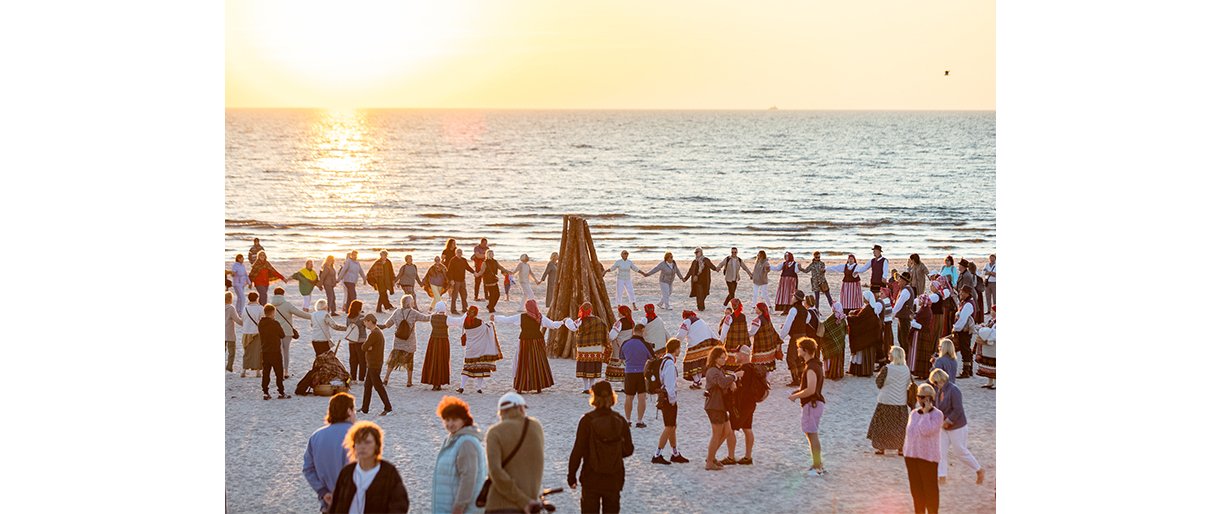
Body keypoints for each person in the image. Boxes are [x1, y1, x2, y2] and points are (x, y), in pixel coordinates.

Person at [568, 380, 634, 514]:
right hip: (614, 477)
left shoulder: (587, 421)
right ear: (612, 396)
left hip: (591, 476)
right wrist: (613, 452)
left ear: (594, 397)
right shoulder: (620, 420)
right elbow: (629, 449)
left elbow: (578, 450)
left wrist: (571, 475)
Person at [327, 421, 410, 513]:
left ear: (377, 445)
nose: (362, 447)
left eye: (367, 442)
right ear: (354, 446)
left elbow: (399, 506)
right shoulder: (347, 472)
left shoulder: (389, 473)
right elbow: (334, 505)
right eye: (358, 442)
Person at [485, 392, 546, 514]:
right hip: (531, 503)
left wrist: (522, 501)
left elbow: (495, 471)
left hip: (500, 505)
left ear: (501, 412)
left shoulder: (495, 432)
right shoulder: (535, 426)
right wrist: (527, 501)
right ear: (520, 408)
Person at [929, 368, 984, 485]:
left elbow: (958, 409)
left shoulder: (954, 390)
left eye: (935, 382)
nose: (934, 384)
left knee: (960, 451)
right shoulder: (938, 390)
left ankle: (978, 469)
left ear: (940, 380)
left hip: (957, 426)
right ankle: (941, 476)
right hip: (943, 426)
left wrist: (948, 421)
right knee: (940, 451)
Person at [304, 392, 355, 513]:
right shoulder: (358, 435)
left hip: (328, 502)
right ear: (349, 411)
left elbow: (308, 469)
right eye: (354, 410)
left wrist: (323, 491)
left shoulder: (316, 436)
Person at [433, 396, 486, 514]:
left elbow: (468, 477)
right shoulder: (453, 438)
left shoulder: (466, 442)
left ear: (464, 420)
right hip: (450, 503)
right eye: (447, 420)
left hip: (462, 508)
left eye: (454, 420)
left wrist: (459, 506)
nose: (450, 424)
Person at [494, 300, 560, 394]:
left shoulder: (522, 317)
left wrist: (496, 318)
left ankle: (520, 387)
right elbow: (552, 325)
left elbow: (507, 320)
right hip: (537, 341)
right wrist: (563, 322)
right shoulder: (539, 317)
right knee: (538, 362)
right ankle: (538, 387)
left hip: (525, 341)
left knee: (523, 363)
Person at [788, 337, 827, 477]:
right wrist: (798, 392)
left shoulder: (811, 367)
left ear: (805, 350)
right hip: (814, 404)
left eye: (799, 348)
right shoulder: (816, 364)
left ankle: (818, 466)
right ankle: (818, 464)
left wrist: (795, 396)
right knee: (811, 434)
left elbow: (811, 390)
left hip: (812, 404)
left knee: (812, 434)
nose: (798, 350)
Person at [905, 383, 944, 514]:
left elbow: (926, 430)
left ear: (930, 398)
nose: (920, 400)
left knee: (930, 490)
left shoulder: (938, 415)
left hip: (928, 458)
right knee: (916, 491)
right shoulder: (914, 413)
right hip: (911, 456)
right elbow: (910, 432)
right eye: (919, 396)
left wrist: (926, 413)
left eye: (923, 397)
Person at [378, 294, 430, 387]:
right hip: (409, 342)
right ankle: (409, 382)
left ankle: (386, 378)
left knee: (392, 361)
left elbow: (387, 324)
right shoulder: (413, 313)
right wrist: (436, 314)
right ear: (409, 303)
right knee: (410, 362)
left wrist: (378, 326)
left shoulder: (397, 312)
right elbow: (426, 318)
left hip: (398, 341)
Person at [652, 339, 690, 465]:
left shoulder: (664, 361)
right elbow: (669, 385)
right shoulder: (669, 364)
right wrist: (673, 400)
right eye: (679, 348)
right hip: (668, 399)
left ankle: (675, 453)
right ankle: (657, 454)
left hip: (665, 397)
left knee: (672, 426)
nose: (680, 350)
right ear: (676, 349)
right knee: (669, 427)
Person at [449, 306, 503, 394]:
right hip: (481, 349)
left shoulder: (465, 322)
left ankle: (462, 387)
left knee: (466, 368)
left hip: (470, 349)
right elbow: (488, 328)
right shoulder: (480, 322)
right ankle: (479, 388)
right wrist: (492, 322)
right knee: (481, 368)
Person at [869, 346, 912, 455]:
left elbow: (879, 383)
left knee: (883, 426)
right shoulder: (906, 369)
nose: (889, 355)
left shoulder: (887, 368)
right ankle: (900, 448)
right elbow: (909, 384)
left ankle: (881, 448)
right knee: (899, 427)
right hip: (901, 402)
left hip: (886, 400)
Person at [728, 344, 766, 465]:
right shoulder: (753, 368)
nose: (735, 355)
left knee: (729, 429)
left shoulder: (742, 370)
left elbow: (737, 389)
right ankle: (748, 457)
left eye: (737, 353)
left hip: (741, 405)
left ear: (743, 355)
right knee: (747, 429)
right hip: (751, 404)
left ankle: (731, 457)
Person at [702, 346, 736, 471]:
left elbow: (723, 381)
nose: (724, 360)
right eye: (721, 358)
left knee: (727, 431)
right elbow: (722, 383)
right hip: (714, 406)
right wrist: (734, 377)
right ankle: (709, 462)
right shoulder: (712, 371)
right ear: (715, 358)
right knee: (716, 434)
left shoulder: (718, 370)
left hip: (720, 405)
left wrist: (730, 380)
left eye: (724, 357)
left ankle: (711, 457)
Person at [563, 302, 611, 392]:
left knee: (584, 368)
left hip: (583, 348)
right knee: (593, 368)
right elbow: (605, 331)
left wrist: (567, 320)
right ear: (591, 309)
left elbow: (573, 327)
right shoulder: (598, 320)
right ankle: (592, 387)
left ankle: (585, 388)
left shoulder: (580, 321)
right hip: (596, 348)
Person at [271, 287, 311, 376]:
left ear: (274, 294)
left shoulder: (270, 305)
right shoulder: (287, 305)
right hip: (286, 332)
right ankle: (286, 371)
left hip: (274, 332)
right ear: (283, 294)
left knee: (278, 352)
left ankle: (279, 371)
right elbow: (299, 313)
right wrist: (313, 316)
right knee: (286, 351)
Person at [619, 323, 653, 427]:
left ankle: (628, 420)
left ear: (633, 330)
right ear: (642, 331)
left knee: (629, 397)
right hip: (642, 373)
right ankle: (639, 420)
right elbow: (652, 358)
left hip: (629, 372)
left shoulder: (625, 343)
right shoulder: (646, 344)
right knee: (641, 397)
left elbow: (621, 358)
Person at [359, 314, 392, 415]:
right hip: (374, 363)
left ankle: (388, 407)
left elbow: (364, 347)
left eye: (365, 321)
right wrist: (368, 347)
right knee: (367, 386)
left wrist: (368, 347)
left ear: (369, 321)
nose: (364, 323)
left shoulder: (374, 334)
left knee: (378, 386)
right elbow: (366, 347)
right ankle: (365, 408)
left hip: (374, 363)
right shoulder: (377, 332)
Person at [778, 291, 813, 386]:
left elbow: (787, 326)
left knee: (790, 358)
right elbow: (807, 320)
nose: (792, 298)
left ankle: (796, 379)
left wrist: (780, 337)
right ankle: (801, 378)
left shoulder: (793, 310)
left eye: (793, 297)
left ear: (796, 299)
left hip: (796, 337)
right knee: (799, 358)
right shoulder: (805, 310)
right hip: (804, 336)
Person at [329, 300, 369, 383]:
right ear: (359, 308)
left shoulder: (348, 317)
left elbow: (348, 328)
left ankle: (353, 378)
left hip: (351, 341)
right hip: (361, 341)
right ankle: (361, 379)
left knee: (353, 360)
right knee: (362, 360)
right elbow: (367, 326)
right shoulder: (362, 317)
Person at [676, 310, 718, 388]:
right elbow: (710, 330)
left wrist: (675, 343)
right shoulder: (701, 320)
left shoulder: (687, 321)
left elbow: (681, 335)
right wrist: (717, 341)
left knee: (690, 362)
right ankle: (697, 381)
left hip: (696, 344)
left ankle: (697, 381)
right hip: (707, 343)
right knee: (700, 363)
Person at [847, 290, 883, 377]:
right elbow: (860, 315)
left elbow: (859, 320)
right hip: (870, 337)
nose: (863, 299)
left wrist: (848, 318)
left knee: (864, 355)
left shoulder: (868, 309)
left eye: (864, 297)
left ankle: (863, 371)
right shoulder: (869, 308)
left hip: (867, 337)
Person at [258, 303, 289, 400]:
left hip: (265, 350)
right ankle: (281, 391)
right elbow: (282, 335)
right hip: (275, 351)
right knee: (278, 372)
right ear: (272, 313)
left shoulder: (261, 324)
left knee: (266, 372)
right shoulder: (275, 324)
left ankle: (265, 392)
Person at [422, 302, 453, 391]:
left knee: (433, 360)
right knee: (442, 360)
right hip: (443, 341)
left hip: (433, 340)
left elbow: (423, 317)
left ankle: (434, 382)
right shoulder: (447, 319)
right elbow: (459, 321)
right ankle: (438, 383)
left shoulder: (432, 317)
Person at [604, 305, 635, 385]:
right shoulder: (632, 322)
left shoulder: (619, 323)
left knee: (619, 366)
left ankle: (622, 386)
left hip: (619, 347)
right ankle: (626, 384)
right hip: (629, 346)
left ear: (621, 313)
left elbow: (612, 336)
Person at [748, 302, 783, 372]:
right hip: (769, 348)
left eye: (756, 307)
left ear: (760, 310)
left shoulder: (757, 320)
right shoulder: (767, 318)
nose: (755, 308)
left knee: (760, 368)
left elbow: (752, 332)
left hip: (761, 347)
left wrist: (744, 333)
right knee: (768, 368)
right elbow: (773, 331)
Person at [717, 299, 751, 372]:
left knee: (730, 364)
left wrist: (721, 340)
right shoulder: (743, 316)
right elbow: (745, 330)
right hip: (741, 343)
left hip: (731, 343)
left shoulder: (729, 317)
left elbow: (724, 330)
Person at [952, 285, 977, 378]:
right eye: (960, 292)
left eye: (963, 292)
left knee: (965, 350)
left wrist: (956, 328)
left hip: (964, 331)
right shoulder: (965, 303)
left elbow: (963, 319)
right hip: (963, 330)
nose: (960, 294)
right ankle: (969, 370)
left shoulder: (968, 305)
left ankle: (966, 371)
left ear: (968, 294)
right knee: (966, 349)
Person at [820, 302, 848, 381]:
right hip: (840, 342)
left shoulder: (832, 318)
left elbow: (825, 326)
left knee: (830, 358)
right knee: (838, 358)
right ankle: (838, 373)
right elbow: (845, 331)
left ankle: (830, 372)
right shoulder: (843, 318)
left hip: (830, 343)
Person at [240, 291, 263, 378]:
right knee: (258, 352)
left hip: (246, 332)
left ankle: (244, 370)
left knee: (247, 352)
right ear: (257, 298)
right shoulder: (260, 308)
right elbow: (262, 319)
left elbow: (243, 318)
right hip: (257, 332)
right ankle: (258, 372)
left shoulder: (245, 308)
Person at [893, 272, 917, 356]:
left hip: (904, 318)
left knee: (904, 339)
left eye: (900, 279)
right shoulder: (905, 289)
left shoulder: (905, 291)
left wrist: (892, 313)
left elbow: (899, 304)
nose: (898, 281)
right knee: (902, 338)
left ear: (904, 281)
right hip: (903, 317)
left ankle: (907, 357)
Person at [447, 248, 476, 314]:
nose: (459, 253)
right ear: (456, 253)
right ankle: (453, 310)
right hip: (455, 281)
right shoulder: (453, 260)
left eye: (460, 252)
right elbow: (449, 271)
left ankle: (464, 309)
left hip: (462, 280)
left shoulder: (463, 260)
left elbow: (468, 267)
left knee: (464, 295)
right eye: (458, 252)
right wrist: (451, 280)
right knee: (454, 296)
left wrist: (474, 272)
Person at [975, 322, 997, 389]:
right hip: (989, 350)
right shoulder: (992, 321)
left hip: (994, 348)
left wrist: (988, 337)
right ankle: (990, 382)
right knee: (989, 365)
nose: (992, 312)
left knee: (994, 366)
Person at [225, 292, 242, 372]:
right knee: (231, 351)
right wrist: (245, 323)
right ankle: (229, 366)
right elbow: (237, 320)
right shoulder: (231, 308)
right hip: (229, 333)